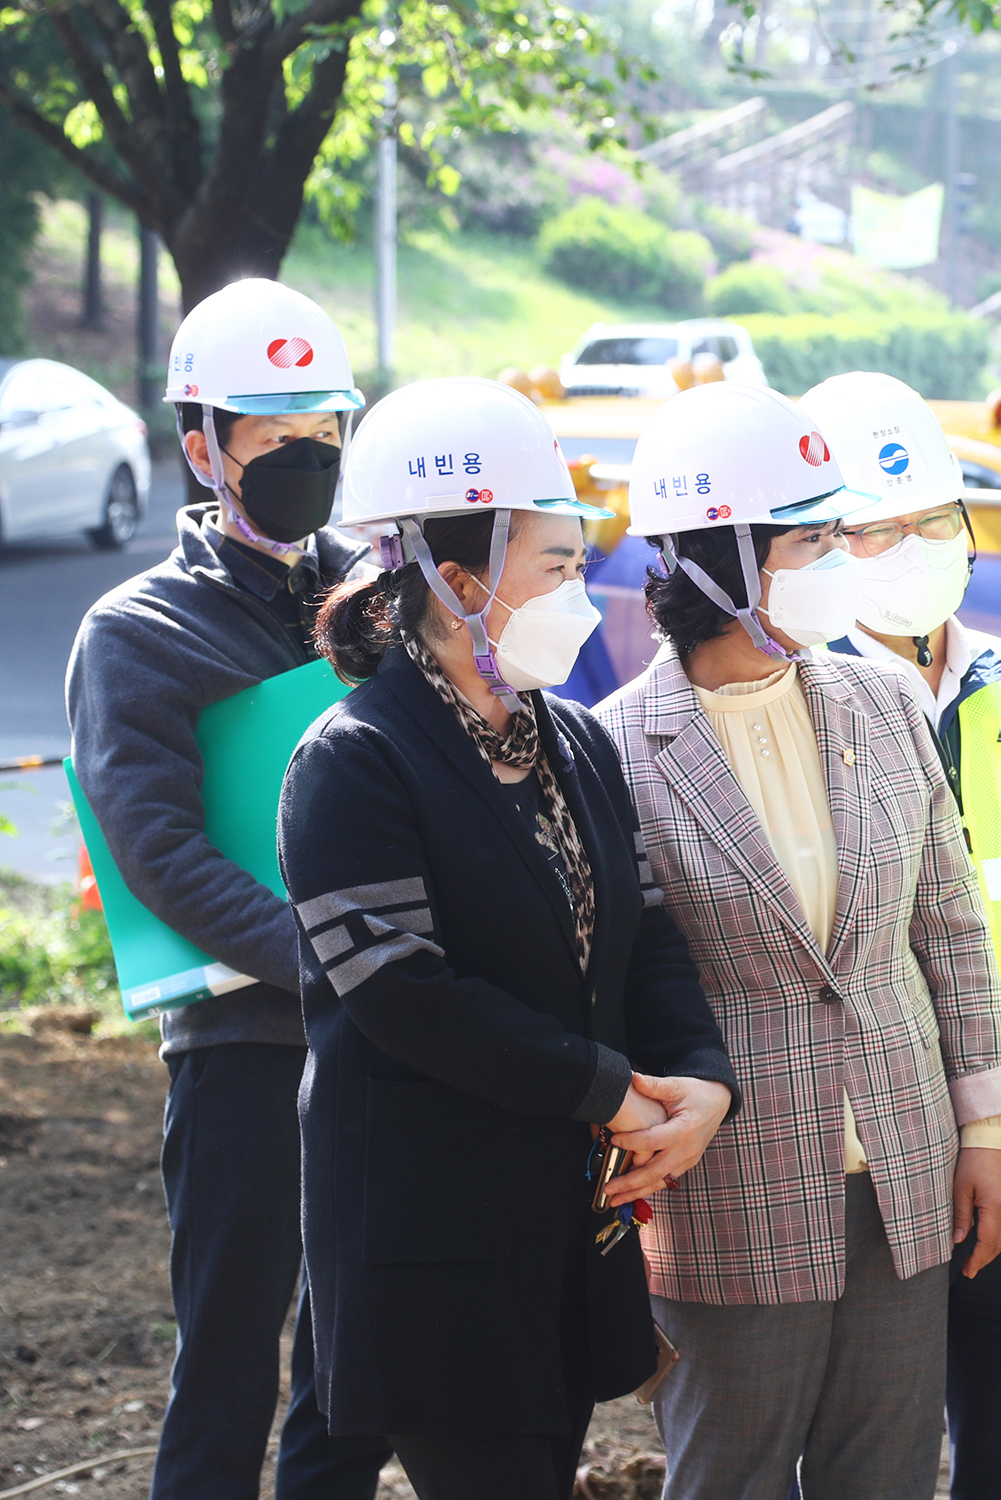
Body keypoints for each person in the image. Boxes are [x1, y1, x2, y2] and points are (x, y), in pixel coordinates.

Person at [280, 376, 740, 1500]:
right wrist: (610, 1091)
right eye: (556, 565)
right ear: (456, 574)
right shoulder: (353, 760)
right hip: (430, 1242)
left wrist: (703, 1084)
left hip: (555, 1229)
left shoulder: (573, 743)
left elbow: (649, 936)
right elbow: (406, 995)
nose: (579, 594)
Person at [593, 382, 1001, 1500]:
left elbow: (949, 924)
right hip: (725, 1185)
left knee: (884, 1476)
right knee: (728, 1474)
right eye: (810, 538)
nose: (840, 558)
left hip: (904, 1164)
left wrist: (987, 1127)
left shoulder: (882, 704)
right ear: (718, 562)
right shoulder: (616, 751)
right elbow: (619, 976)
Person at [64, 277, 394, 1500]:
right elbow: (161, 852)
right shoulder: (138, 631)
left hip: (384, 1039)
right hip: (246, 1043)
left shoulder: (376, 595)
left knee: (353, 1361)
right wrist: (337, 965)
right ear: (202, 445)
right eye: (274, 442)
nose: (306, 463)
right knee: (226, 1364)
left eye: (325, 439)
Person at [801, 370, 1001, 1500]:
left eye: (936, 519)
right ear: (821, 542)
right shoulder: (792, 700)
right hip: (857, 1142)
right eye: (877, 527)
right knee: (855, 1439)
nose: (915, 545)